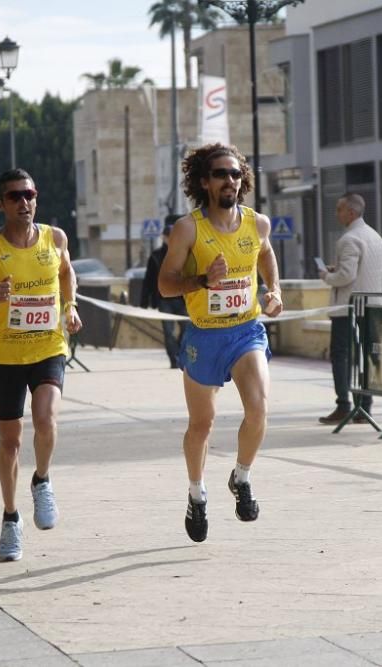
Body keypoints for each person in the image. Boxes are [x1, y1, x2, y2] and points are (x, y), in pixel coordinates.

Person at [0, 168, 83, 563]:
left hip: (48, 347)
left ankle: (41, 480)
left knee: (45, 419)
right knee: (10, 442)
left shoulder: (54, 238)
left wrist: (70, 305)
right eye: (14, 197)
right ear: (1, 204)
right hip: (7, 356)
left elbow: (65, 272)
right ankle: (11, 518)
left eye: (29, 194)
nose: (23, 203)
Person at [158, 143, 283, 543]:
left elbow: (266, 255)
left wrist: (274, 289)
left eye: (234, 173)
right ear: (204, 182)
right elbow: (164, 284)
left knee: (260, 409)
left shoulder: (257, 224)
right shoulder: (188, 229)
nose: (229, 180)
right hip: (204, 334)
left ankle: (241, 477)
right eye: (220, 174)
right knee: (202, 423)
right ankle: (197, 494)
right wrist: (201, 281)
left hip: (245, 329)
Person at [317, 193, 382, 425]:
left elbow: (347, 276)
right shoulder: (375, 237)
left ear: (351, 212)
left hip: (349, 309)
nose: (336, 214)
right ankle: (365, 406)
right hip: (373, 307)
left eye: (339, 209)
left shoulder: (349, 239)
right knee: (366, 357)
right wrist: (338, 269)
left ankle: (343, 405)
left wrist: (327, 275)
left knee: (341, 356)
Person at [140, 216, 188, 368]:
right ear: (164, 237)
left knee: (186, 329)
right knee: (168, 332)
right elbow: (148, 279)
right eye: (169, 236)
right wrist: (144, 301)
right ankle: (174, 359)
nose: (171, 239)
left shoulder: (184, 253)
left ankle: (180, 354)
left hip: (183, 298)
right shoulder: (155, 256)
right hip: (163, 299)